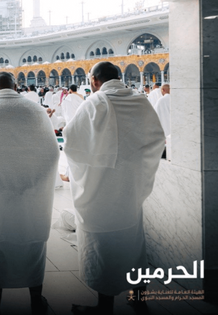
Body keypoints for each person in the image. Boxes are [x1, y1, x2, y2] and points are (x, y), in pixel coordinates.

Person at [63, 62, 165, 314]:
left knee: (102, 246)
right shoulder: (140, 101)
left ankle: (104, 306)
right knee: (133, 243)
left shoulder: (95, 103)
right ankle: (138, 298)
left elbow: (72, 142)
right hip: (130, 186)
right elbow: (157, 139)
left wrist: (99, 159)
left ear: (96, 80)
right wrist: (135, 166)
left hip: (102, 189)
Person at [0, 72, 59, 314]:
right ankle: (36, 301)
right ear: (16, 87)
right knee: (33, 244)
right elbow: (53, 152)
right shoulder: (35, 109)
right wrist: (33, 184)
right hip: (32, 195)